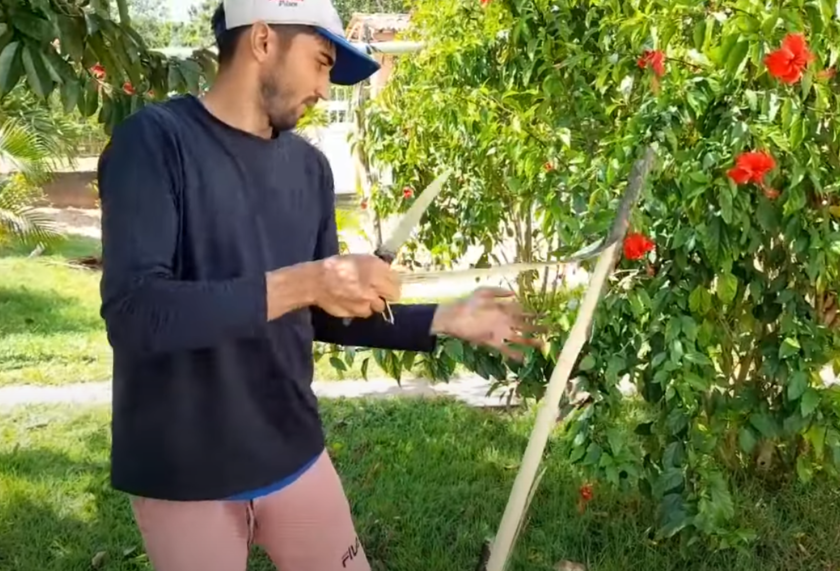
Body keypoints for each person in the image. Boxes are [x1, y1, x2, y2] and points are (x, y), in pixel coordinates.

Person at [96, 0, 541, 569]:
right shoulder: (154, 142)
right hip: (183, 467)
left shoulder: (309, 168)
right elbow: (137, 314)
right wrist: (308, 280)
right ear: (262, 40)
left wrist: (442, 319)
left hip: (292, 447)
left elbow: (326, 312)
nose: (325, 90)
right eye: (321, 62)